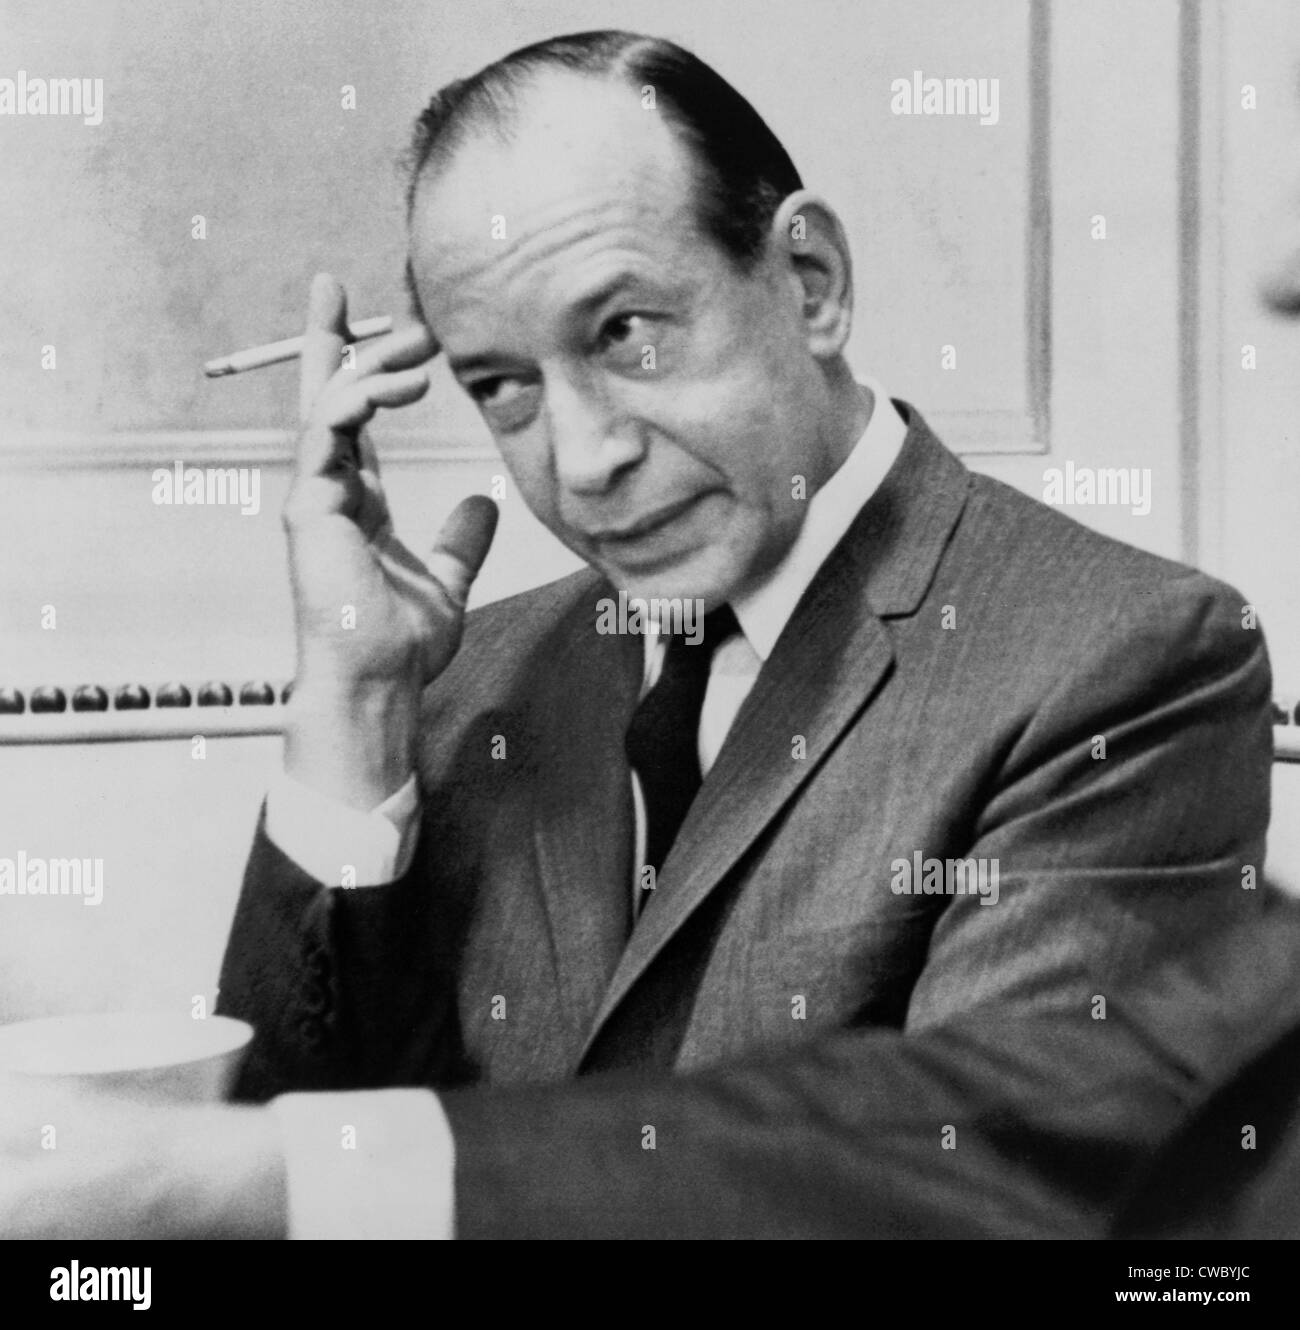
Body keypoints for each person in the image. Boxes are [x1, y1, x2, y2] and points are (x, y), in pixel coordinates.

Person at [3, 29, 1298, 1240]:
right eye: (501, 385)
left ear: (810, 283)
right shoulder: (466, 678)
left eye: (625, 333)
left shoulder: (1122, 655)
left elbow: (982, 1191)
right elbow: (271, 1167)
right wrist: (349, 705)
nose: (583, 459)